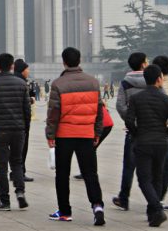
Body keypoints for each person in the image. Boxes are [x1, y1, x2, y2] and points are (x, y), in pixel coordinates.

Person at [45, 47, 105, 226]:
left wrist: (50, 134)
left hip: (65, 135)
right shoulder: (93, 82)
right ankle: (97, 206)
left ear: (64, 62)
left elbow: (54, 112)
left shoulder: (58, 84)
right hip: (87, 134)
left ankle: (65, 211)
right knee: (90, 173)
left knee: (62, 174)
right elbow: (99, 111)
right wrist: (97, 133)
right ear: (79, 61)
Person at [125, 64, 168, 227]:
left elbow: (129, 120)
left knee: (144, 179)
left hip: (143, 142)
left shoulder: (136, 98)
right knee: (157, 178)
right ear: (159, 79)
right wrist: (166, 134)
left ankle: (157, 210)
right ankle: (153, 213)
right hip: (161, 143)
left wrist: (136, 133)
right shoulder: (167, 100)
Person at [0, 53, 31, 211]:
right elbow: (27, 110)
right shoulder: (21, 84)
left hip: (0, 131)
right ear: (12, 66)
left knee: (1, 167)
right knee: (17, 162)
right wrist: (25, 128)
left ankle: (4, 201)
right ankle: (20, 192)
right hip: (18, 130)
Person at [113, 52, 149, 211]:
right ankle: (154, 199)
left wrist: (131, 122)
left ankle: (124, 198)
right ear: (143, 64)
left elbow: (120, 105)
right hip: (153, 130)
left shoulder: (126, 82)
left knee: (129, 166)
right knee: (156, 167)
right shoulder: (153, 79)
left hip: (134, 132)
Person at [151, 55, 168, 210]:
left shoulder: (160, 88)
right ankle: (157, 197)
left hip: (162, 132)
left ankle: (157, 198)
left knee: (164, 167)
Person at [13, 59, 35, 182]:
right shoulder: (22, 83)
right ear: (22, 70)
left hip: (11, 122)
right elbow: (25, 105)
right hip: (21, 122)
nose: (29, 71)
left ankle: (14, 173)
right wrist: (27, 124)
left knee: (15, 150)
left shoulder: (15, 81)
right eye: (27, 69)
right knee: (22, 148)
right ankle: (20, 173)